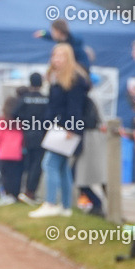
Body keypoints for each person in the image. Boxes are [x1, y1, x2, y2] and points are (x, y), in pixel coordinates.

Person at [30, 43, 89, 218]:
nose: (56, 59)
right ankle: (65, 207)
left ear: (68, 58)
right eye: (54, 55)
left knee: (49, 164)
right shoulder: (57, 77)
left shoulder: (74, 79)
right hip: (57, 128)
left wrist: (71, 127)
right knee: (62, 167)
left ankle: (50, 203)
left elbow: (75, 106)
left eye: (60, 56)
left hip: (66, 129)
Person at [12, 73, 48, 205]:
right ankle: (30, 192)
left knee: (28, 163)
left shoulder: (25, 98)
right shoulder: (46, 99)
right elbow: (50, 117)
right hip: (41, 135)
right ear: (41, 83)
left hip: (27, 135)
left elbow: (14, 114)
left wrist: (24, 122)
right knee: (37, 165)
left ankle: (25, 191)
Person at [0, 96, 24, 205]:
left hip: (4, 153)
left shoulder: (2, 120)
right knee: (16, 175)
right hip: (18, 153)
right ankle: (15, 195)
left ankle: (7, 195)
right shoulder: (20, 122)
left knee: (5, 176)